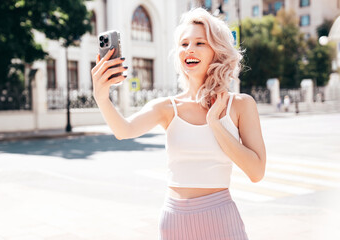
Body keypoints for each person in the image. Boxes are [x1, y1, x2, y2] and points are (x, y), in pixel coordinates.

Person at [91, 8, 266, 240]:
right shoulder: (166, 107)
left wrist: (214, 123)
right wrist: (101, 98)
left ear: (217, 50)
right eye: (184, 44)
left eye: (200, 43)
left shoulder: (241, 105)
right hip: (175, 221)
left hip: (220, 219)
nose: (190, 49)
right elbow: (124, 131)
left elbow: (256, 172)